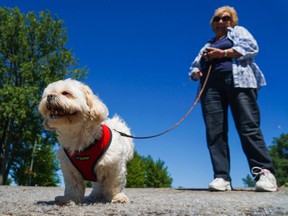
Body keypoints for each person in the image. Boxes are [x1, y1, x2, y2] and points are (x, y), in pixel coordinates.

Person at [189, 6, 278, 192]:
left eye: (226, 18)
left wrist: (223, 53)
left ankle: (264, 174)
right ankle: (222, 177)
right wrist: (196, 72)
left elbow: (252, 47)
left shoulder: (238, 32)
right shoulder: (207, 44)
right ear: (213, 23)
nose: (221, 21)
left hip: (240, 81)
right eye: (217, 19)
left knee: (248, 127)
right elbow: (194, 65)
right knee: (215, 132)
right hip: (211, 88)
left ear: (232, 20)